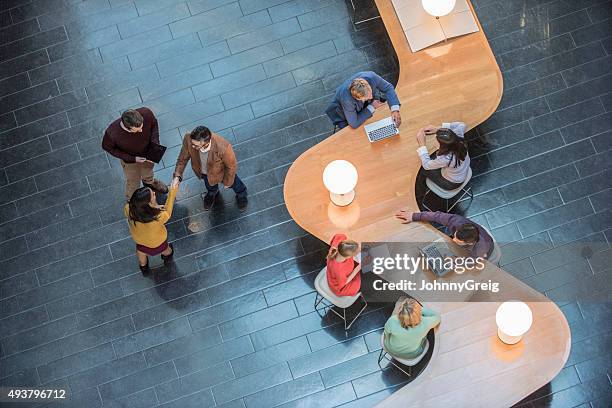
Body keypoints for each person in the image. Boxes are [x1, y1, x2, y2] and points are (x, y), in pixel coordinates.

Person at [173, 125, 248, 211]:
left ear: (206, 143)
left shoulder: (223, 147)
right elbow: (182, 159)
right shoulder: (188, 138)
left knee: (235, 183)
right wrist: (177, 176)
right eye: (192, 144)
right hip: (204, 172)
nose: (192, 146)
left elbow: (231, 166)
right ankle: (213, 192)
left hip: (221, 172)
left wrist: (228, 182)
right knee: (209, 184)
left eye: (196, 145)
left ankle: (241, 193)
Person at [102, 108, 168, 200]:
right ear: (127, 128)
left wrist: (154, 145)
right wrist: (133, 158)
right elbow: (107, 147)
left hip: (148, 152)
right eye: (137, 130)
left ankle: (149, 181)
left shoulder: (146, 113)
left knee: (148, 170)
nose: (141, 130)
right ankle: (131, 198)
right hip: (130, 161)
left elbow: (154, 125)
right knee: (133, 180)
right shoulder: (112, 133)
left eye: (142, 126)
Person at [125, 177, 180, 275]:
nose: (154, 193)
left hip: (141, 243)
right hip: (158, 244)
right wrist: (173, 190)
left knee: (141, 256)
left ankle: (144, 268)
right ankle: (167, 257)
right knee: (167, 250)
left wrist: (154, 206)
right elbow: (167, 211)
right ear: (149, 205)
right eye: (153, 195)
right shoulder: (159, 217)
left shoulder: (128, 209)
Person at [395, 209, 494, 259]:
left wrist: (453, 262)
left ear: (469, 243)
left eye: (458, 240)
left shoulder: (481, 250)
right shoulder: (458, 221)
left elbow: (471, 263)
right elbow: (437, 216)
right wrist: (414, 216)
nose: (453, 239)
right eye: (455, 235)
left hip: (482, 253)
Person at [325, 71, 401, 129]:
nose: (371, 97)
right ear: (358, 98)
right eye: (367, 97)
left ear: (367, 85)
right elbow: (354, 124)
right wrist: (371, 107)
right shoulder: (347, 100)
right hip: (342, 114)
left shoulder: (372, 77)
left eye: (370, 92)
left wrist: (395, 110)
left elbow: (388, 88)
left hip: (362, 106)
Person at [416, 122, 470, 190]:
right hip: (461, 170)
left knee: (421, 168)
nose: (435, 137)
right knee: (431, 157)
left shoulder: (446, 159)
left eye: (437, 140)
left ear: (444, 147)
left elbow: (426, 165)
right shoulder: (458, 139)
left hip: (451, 183)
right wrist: (438, 129)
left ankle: (420, 189)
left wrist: (422, 144)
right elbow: (462, 124)